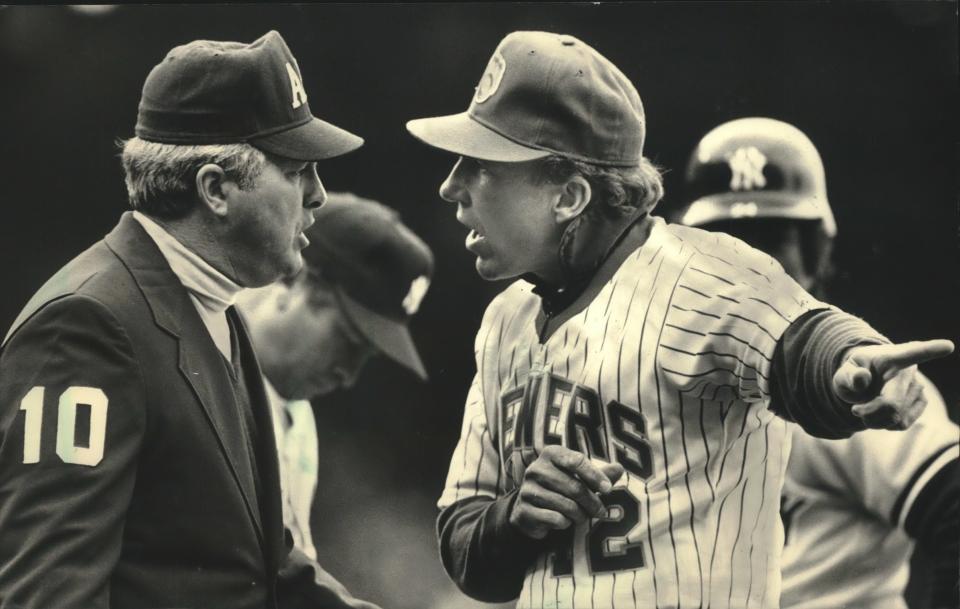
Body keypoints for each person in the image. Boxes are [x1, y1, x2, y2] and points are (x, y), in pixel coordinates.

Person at [404, 31, 954, 608]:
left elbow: (800, 341)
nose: (451, 186)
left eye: (484, 165)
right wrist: (515, 519)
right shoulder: (503, 323)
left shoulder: (701, 274)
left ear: (568, 196)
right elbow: (465, 550)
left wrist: (849, 368)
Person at [0, 31, 377, 609]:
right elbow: (49, 592)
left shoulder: (214, 307)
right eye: (298, 170)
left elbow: (265, 566)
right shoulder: (86, 324)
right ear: (216, 189)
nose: (319, 195)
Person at [676, 117, 959, 609]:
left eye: (771, 242)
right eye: (727, 244)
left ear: (815, 255)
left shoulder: (856, 381)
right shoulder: (666, 380)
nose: (753, 266)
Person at [236, 191, 434, 562]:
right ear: (294, 279)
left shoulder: (294, 409)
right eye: (347, 341)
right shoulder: (186, 357)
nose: (348, 376)